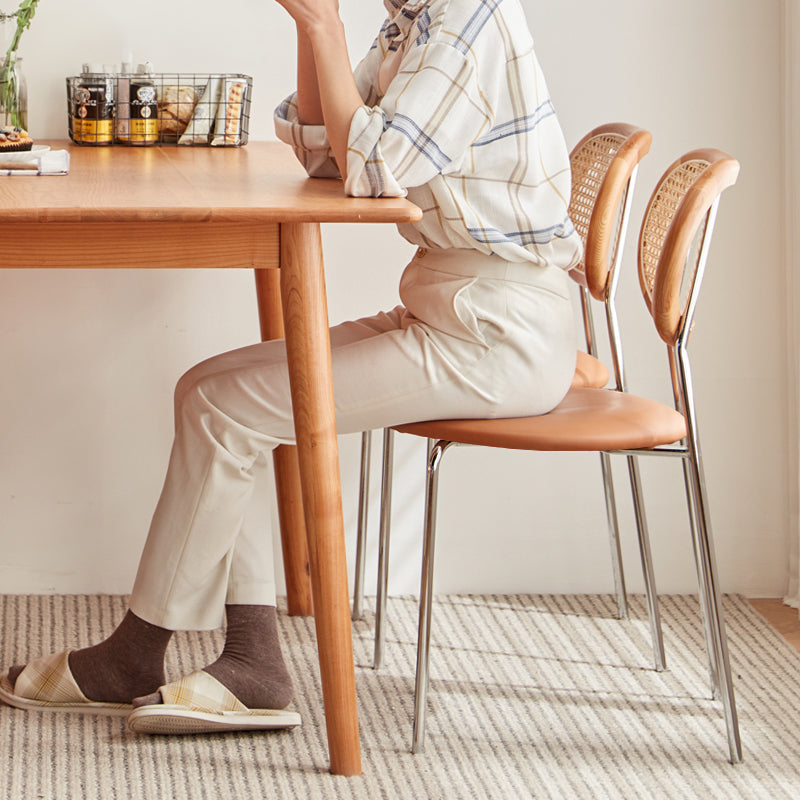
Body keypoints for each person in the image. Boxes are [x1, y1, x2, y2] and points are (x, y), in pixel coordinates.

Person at [0, 0, 582, 734]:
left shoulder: (472, 15)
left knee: (229, 409)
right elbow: (325, 153)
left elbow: (374, 169)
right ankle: (248, 660)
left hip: (496, 330)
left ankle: (145, 656)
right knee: (209, 392)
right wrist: (312, 26)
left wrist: (323, 27)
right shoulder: (415, 19)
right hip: (450, 304)